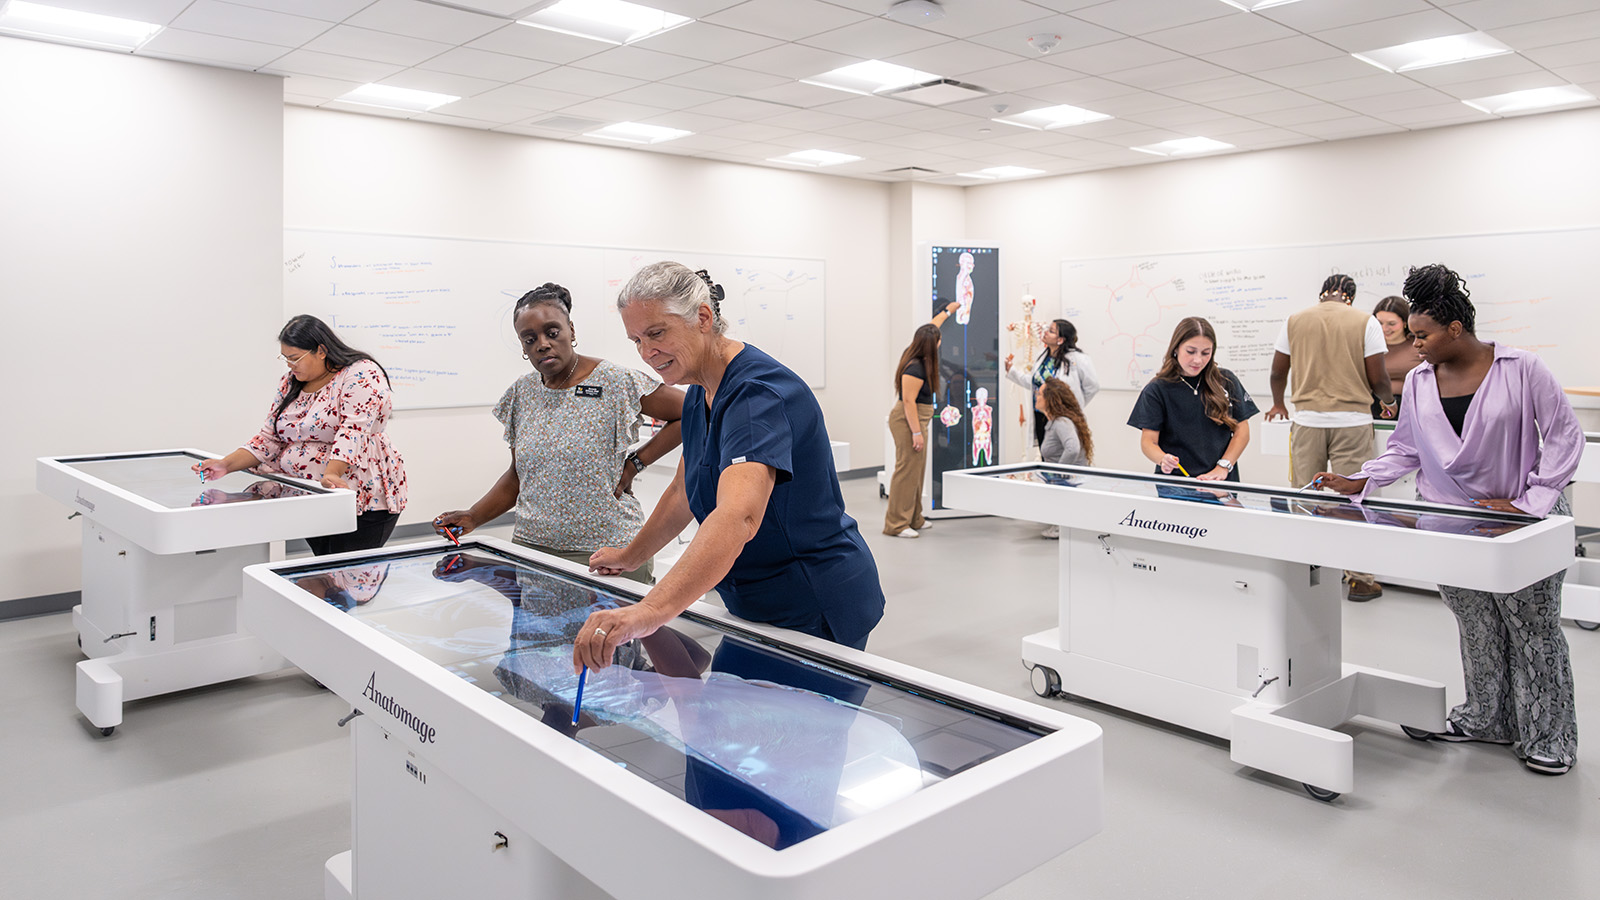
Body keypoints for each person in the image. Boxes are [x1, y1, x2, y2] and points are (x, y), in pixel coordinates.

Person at [1314, 263, 1583, 776]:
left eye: (1423, 335)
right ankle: (1486, 718)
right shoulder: (1418, 380)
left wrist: (1532, 501)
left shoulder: (1522, 368)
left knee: (1532, 629)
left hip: (1521, 521)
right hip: (1449, 523)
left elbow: (1564, 437)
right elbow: (1406, 448)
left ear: (1455, 330)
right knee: (1476, 626)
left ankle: (1550, 736)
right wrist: (1361, 479)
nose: (1415, 345)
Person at [576, 262, 885, 669]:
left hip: (812, 602)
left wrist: (649, 611)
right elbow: (684, 491)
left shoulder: (756, 395)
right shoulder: (698, 394)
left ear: (702, 317)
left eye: (656, 333)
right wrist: (631, 557)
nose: (646, 352)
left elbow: (738, 516)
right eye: (635, 340)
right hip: (755, 602)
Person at [431, 283, 684, 585]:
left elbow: (691, 412)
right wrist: (473, 516)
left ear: (571, 331)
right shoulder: (521, 393)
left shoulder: (615, 381)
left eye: (552, 332)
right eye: (529, 339)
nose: (542, 344)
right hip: (532, 548)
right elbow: (518, 476)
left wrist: (634, 465)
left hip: (606, 553)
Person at [195, 315, 407, 556]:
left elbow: (353, 431)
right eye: (285, 358)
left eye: (295, 358)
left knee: (347, 579)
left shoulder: (360, 373)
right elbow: (269, 437)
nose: (289, 365)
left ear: (321, 351)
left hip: (360, 498)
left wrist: (332, 473)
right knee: (324, 571)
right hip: (311, 494)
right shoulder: (291, 382)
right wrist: (225, 464)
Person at [1265, 274, 1395, 602]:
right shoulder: (1366, 322)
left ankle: (1305, 570)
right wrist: (1388, 402)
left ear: (1322, 294)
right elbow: (1378, 376)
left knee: (1305, 496)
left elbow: (1278, 371)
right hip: (1353, 422)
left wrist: (1280, 402)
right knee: (1353, 498)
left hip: (1307, 421)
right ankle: (1360, 580)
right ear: (1349, 296)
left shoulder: (1295, 320)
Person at [1128, 317, 1257, 483]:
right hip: (1176, 485)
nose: (1198, 360)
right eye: (1191, 351)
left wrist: (1223, 467)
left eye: (1206, 353)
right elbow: (1148, 442)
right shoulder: (1157, 389)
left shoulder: (1226, 381)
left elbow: (1242, 431)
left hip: (1221, 481)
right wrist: (1162, 458)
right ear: (1176, 349)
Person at [884, 301, 959, 539]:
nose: (940, 342)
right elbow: (908, 402)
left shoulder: (921, 351)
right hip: (908, 420)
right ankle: (896, 524)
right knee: (906, 471)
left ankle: (914, 517)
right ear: (933, 345)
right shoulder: (914, 368)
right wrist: (916, 432)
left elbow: (931, 326)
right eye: (938, 340)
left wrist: (947, 312)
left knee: (916, 471)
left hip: (918, 419)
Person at [1004, 318, 1100, 450]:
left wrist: (1073, 405)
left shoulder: (1078, 359)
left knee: (1064, 456)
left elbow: (1092, 386)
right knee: (1046, 455)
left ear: (1060, 340)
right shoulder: (1043, 357)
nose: (1046, 332)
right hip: (1041, 414)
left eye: (1051, 331)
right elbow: (1035, 384)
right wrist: (1012, 371)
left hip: (1061, 417)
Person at [1037, 378, 1094, 539]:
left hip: (1071, 484)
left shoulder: (1062, 422)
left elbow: (1072, 448)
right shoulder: (1055, 422)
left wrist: (1058, 474)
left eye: (1040, 394)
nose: (1037, 396)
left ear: (1050, 399)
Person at [1372, 294, 1423, 418]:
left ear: (1405, 323)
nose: (1384, 329)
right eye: (1379, 323)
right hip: (1374, 408)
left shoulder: (1419, 345)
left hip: (1412, 408)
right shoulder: (1369, 346)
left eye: (1391, 323)